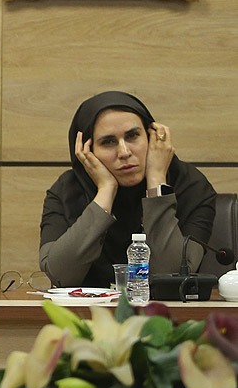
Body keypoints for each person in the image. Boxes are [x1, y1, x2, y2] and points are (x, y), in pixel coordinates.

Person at [39, 91, 216, 287]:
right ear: (87, 151)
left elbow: (173, 277)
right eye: (108, 142)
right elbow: (60, 276)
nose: (124, 152)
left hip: (164, 308)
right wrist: (105, 191)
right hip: (88, 307)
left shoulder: (191, 186)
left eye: (132, 136)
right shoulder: (66, 191)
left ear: (152, 137)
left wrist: (157, 182)